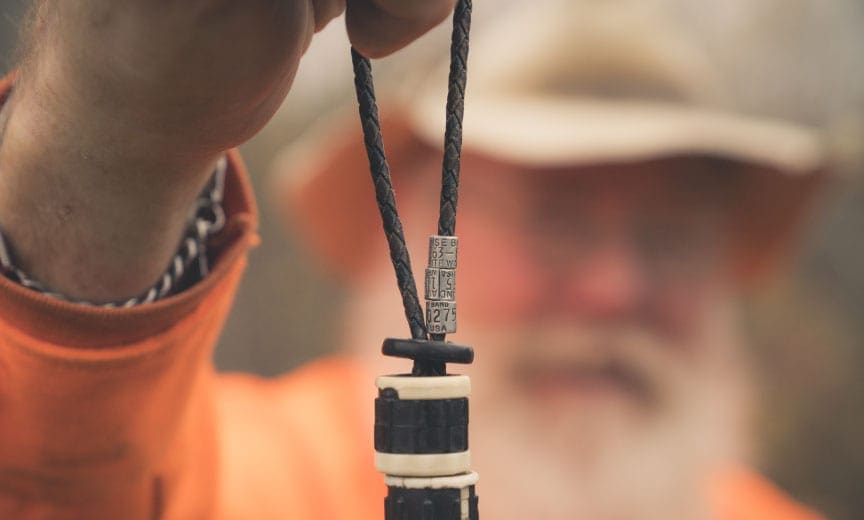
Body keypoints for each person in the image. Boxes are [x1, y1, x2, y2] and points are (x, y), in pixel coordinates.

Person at [0, 0, 850, 518]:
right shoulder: (245, 473)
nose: (615, 287)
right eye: (554, 223)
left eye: (670, 237)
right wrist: (109, 149)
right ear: (403, 222)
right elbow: (58, 484)